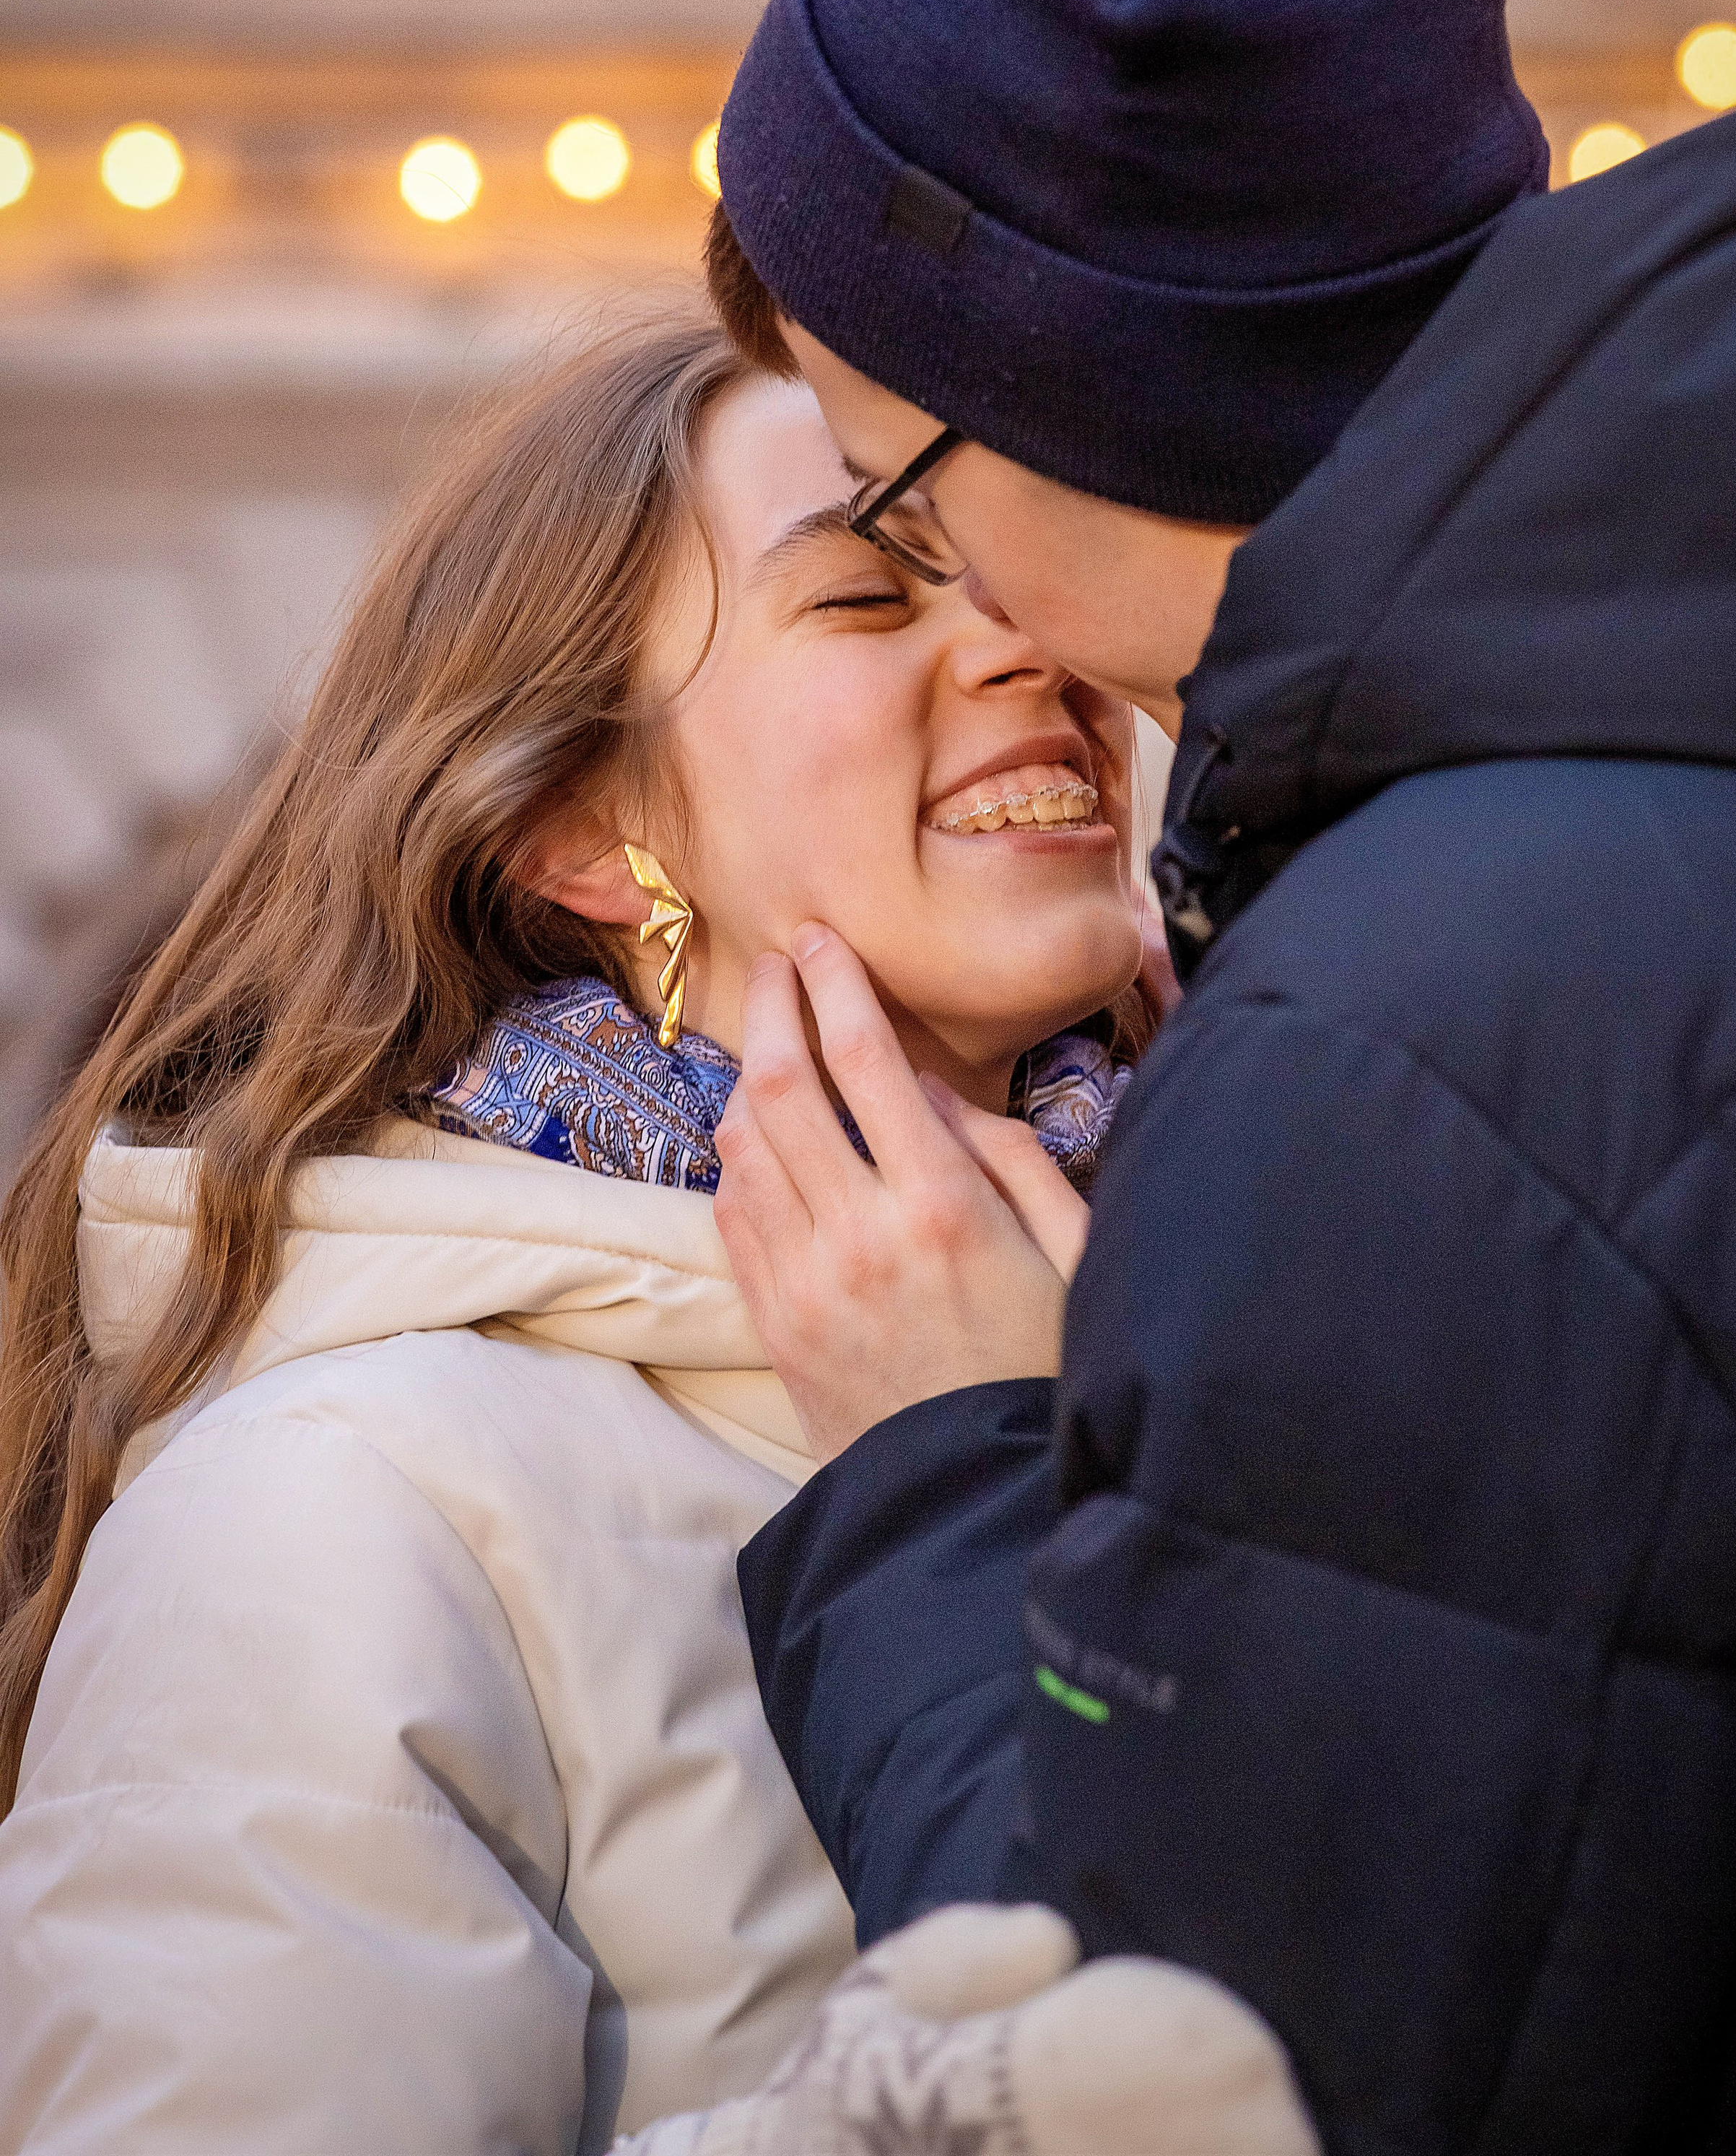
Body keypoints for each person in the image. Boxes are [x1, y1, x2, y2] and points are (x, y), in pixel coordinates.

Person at [679, 0, 1736, 2150]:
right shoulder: (1716, 713)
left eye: (898, 497)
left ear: (1093, 386)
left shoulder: (1421, 1032)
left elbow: (1215, 2083)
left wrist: (955, 1465)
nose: (977, 624)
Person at [0, 313, 1167, 2152]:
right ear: (582, 834)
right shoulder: (340, 1503)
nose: (1027, 638)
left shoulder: (1266, 1312)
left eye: (1020, 560)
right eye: (865, 594)